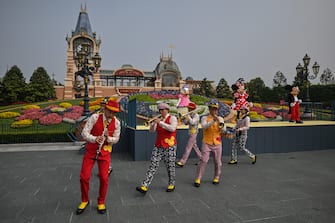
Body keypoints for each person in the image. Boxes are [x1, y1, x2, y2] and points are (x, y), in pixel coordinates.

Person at [76, 98, 121, 215]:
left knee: (104, 178)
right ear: (105, 109)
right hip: (91, 151)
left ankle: (101, 201)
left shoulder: (116, 122)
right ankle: (84, 200)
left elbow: (116, 139)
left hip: (105, 153)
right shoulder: (95, 118)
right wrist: (94, 139)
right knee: (84, 177)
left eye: (114, 112)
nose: (112, 114)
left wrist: (108, 138)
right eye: (110, 111)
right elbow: (84, 133)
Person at [136, 102, 178, 194]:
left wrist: (161, 123)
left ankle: (172, 183)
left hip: (170, 145)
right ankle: (145, 185)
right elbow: (152, 131)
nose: (161, 112)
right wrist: (153, 124)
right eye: (159, 110)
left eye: (162, 110)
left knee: (170, 166)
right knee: (153, 165)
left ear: (167, 110)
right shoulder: (159, 120)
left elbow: (172, 129)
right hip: (158, 145)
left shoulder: (173, 118)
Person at [194, 101, 226, 187]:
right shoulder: (204, 118)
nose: (214, 111)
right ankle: (198, 178)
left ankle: (216, 177)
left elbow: (223, 130)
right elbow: (204, 126)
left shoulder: (221, 118)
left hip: (217, 142)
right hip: (207, 142)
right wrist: (213, 121)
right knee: (204, 160)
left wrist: (221, 126)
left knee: (217, 162)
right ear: (209, 110)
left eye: (216, 110)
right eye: (213, 109)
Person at [176, 102, 202, 167]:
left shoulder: (196, 116)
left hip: (194, 132)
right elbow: (186, 123)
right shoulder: (190, 115)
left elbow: (193, 122)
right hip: (190, 132)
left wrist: (188, 117)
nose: (188, 110)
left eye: (190, 109)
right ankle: (202, 158)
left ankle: (182, 161)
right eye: (188, 108)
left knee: (188, 147)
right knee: (194, 146)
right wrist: (183, 118)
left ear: (193, 109)